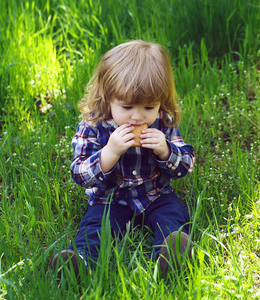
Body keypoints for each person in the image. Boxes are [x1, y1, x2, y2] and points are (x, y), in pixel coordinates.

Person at [52, 40, 195, 278]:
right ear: (107, 98)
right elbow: (79, 174)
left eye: (149, 107)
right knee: (96, 229)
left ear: (160, 102)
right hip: (109, 200)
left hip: (156, 195)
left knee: (173, 216)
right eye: (127, 107)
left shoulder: (163, 122)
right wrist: (109, 153)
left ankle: (169, 258)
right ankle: (81, 264)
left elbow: (186, 165)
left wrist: (166, 150)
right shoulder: (94, 126)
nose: (138, 117)